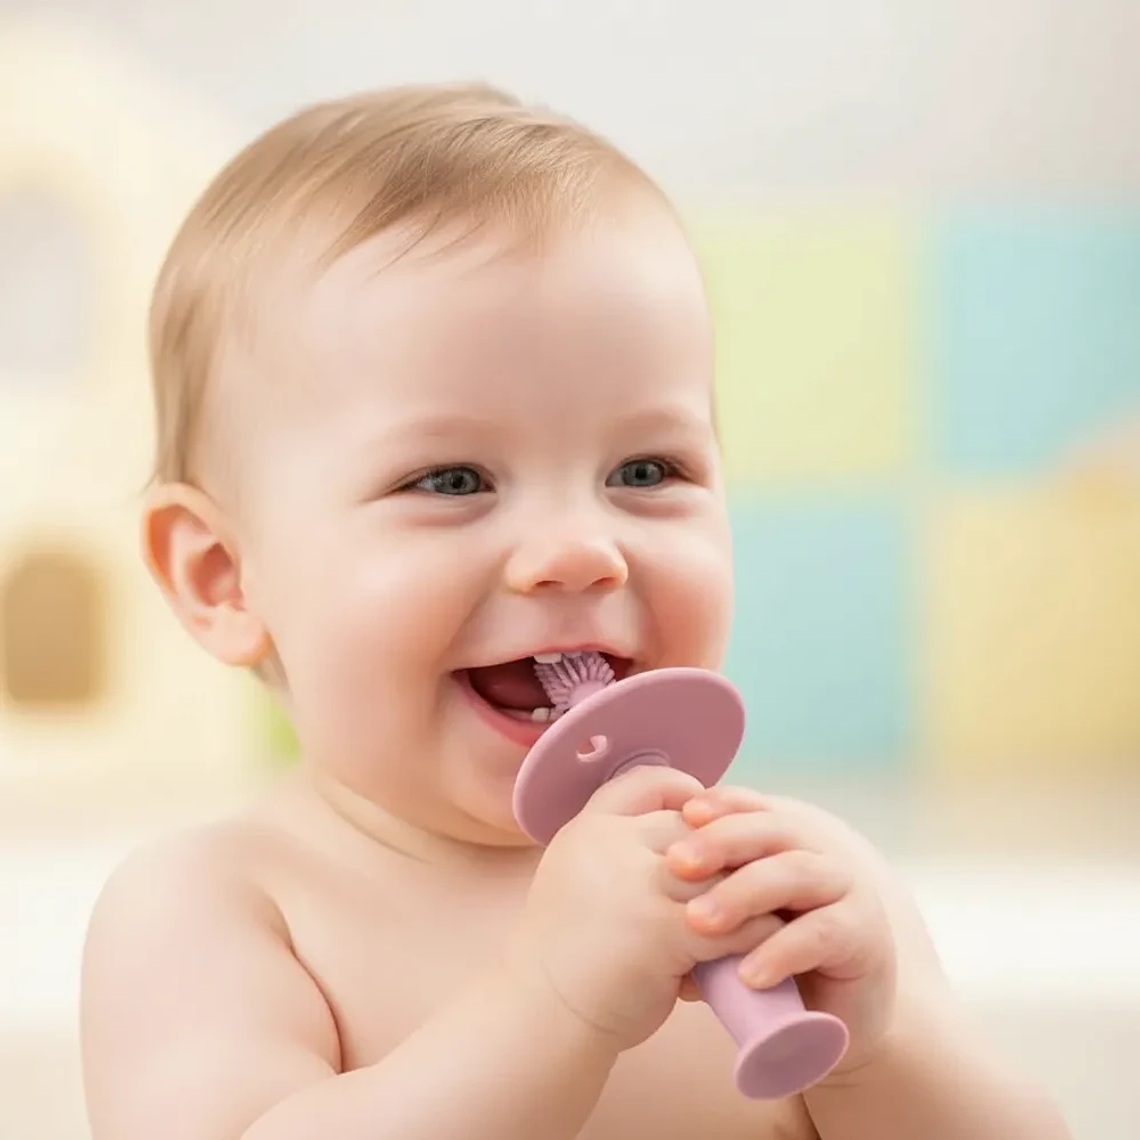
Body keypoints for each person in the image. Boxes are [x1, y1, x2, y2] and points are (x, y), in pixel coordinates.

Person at [80, 83, 1069, 1140]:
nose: (578, 551)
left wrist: (881, 1051)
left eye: (646, 467)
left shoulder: (789, 885)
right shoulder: (218, 909)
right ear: (225, 577)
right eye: (451, 480)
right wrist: (552, 1007)